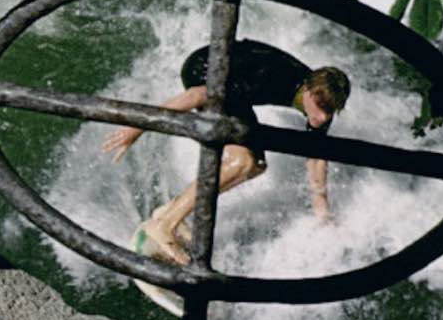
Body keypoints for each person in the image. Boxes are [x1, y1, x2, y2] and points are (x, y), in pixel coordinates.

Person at [101, 39, 351, 265]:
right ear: (307, 89)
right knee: (242, 161)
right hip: (205, 69)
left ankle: (170, 211)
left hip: (236, 85)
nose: (322, 117)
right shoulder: (271, 78)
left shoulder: (325, 99)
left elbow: (316, 155)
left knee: (256, 166)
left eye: (330, 110)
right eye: (320, 106)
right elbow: (198, 94)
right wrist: (138, 126)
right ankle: (164, 225)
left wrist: (322, 212)